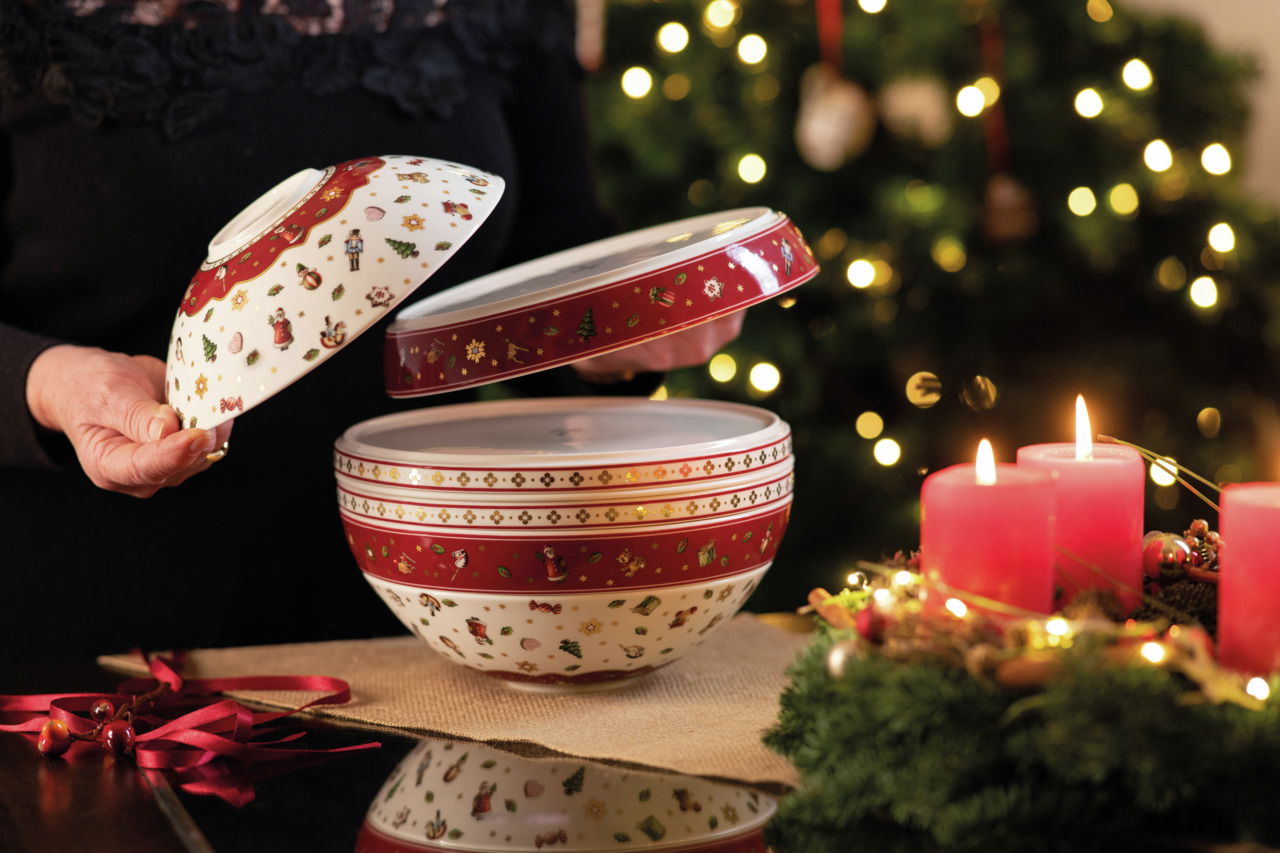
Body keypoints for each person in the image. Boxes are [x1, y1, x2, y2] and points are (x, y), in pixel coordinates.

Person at [0, 0, 742, 661]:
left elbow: (543, 257)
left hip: (433, 618)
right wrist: (48, 380)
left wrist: (603, 344)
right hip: (88, 653)